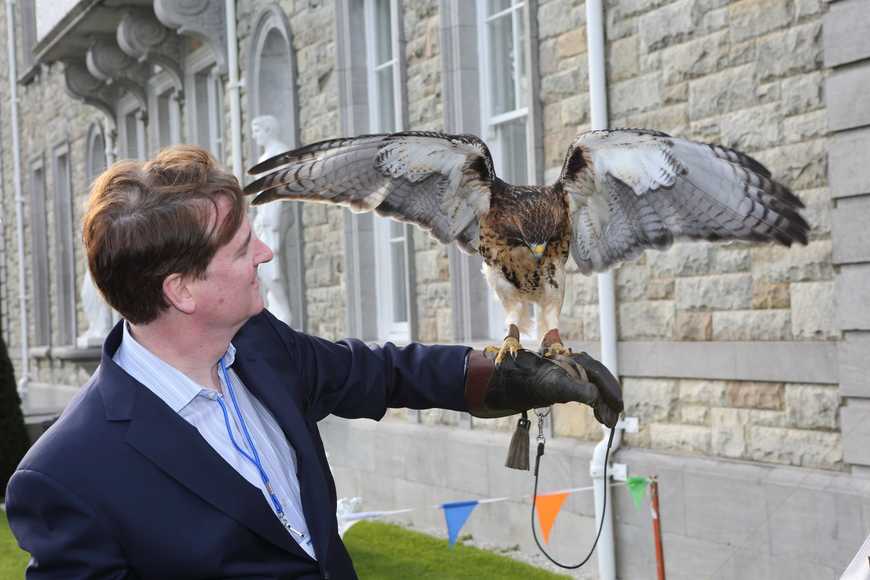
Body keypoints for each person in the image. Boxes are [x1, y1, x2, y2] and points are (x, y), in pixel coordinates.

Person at [6, 145, 622, 579]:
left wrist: (520, 379)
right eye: (244, 247)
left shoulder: (260, 347)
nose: (266, 253)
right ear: (182, 290)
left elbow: (383, 372)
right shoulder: (66, 477)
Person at [251, 115, 294, 326]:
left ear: (269, 130)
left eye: (257, 130)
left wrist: (273, 224)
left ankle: (285, 316)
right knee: (265, 275)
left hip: (273, 222)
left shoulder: (279, 154)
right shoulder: (265, 157)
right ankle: (279, 315)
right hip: (264, 221)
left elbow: (278, 194)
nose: (253, 135)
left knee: (273, 274)